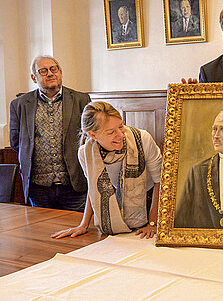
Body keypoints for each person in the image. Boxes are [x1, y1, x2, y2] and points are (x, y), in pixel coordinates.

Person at [51, 102, 162, 239]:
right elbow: (94, 188)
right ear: (93, 135)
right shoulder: (86, 153)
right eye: (111, 132)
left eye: (121, 126)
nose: (121, 134)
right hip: (117, 201)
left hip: (153, 201)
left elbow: (160, 181)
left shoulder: (142, 139)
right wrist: (83, 224)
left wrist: (152, 223)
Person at [9, 55, 91, 211]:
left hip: (74, 185)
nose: (50, 73)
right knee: (43, 232)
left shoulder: (81, 100)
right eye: (43, 71)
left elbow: (90, 138)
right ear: (34, 77)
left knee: (78, 231)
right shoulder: (19, 105)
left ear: (60, 72)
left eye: (54, 69)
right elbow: (16, 142)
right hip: (38, 188)